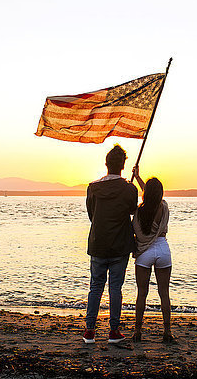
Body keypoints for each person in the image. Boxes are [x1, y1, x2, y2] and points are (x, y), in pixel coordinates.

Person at [83, 145, 138, 344]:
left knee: (95, 287)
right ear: (123, 165)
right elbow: (133, 210)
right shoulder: (130, 189)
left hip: (98, 243)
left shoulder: (93, 188)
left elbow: (92, 215)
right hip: (120, 246)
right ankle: (113, 331)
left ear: (106, 164)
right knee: (116, 287)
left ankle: (90, 331)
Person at [131, 166, 174, 343]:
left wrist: (137, 178)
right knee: (164, 292)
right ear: (161, 194)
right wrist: (139, 178)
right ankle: (167, 331)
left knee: (142, 293)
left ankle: (138, 331)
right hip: (163, 249)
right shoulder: (164, 207)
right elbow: (152, 195)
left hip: (144, 252)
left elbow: (147, 195)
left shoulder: (139, 212)